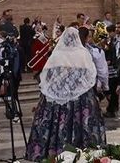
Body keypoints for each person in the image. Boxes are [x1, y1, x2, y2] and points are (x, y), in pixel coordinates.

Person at [25, 28, 104, 160]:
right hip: (80, 96)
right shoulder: (83, 53)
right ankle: (82, 150)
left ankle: (53, 150)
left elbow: (47, 77)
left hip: (55, 96)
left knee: (56, 122)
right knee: (79, 122)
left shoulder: (56, 54)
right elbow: (90, 74)